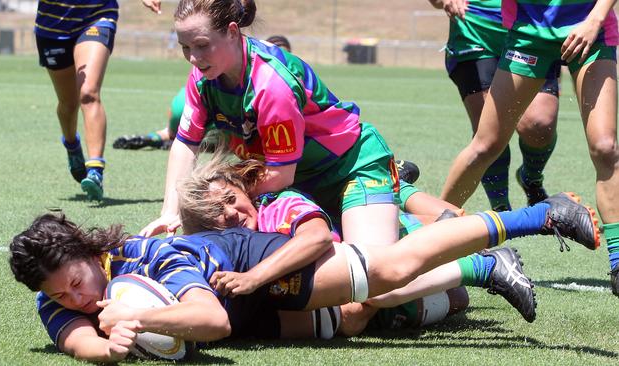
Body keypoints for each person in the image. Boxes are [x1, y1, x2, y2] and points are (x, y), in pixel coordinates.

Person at [10, 193, 597, 362]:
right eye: (60, 295)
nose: (75, 300)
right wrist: (106, 348)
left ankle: (540, 215)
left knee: (388, 269)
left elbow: (210, 321)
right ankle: (478, 271)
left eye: (76, 283)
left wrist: (134, 319)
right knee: (358, 319)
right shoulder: (60, 299)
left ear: (87, 252)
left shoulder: (151, 259)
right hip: (263, 310)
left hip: (265, 263)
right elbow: (83, 341)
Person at [139, 0, 451, 248]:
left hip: (348, 167)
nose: (193, 58)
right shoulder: (203, 76)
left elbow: (280, 173)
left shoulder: (270, 84)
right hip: (298, 177)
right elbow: (184, 144)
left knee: (371, 272)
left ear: (232, 32)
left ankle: (468, 247)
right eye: (185, 47)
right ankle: (401, 217)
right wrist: (171, 211)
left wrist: (230, 193)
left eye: (202, 45)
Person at [175, 156, 539, 326]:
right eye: (215, 215)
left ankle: (484, 263)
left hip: (381, 254)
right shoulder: (236, 243)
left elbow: (316, 239)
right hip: (368, 272)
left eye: (229, 199)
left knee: (379, 293)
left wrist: (255, 278)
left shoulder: (277, 205)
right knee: (450, 303)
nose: (229, 213)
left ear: (242, 187)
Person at [438, 0, 619, 294]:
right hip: (530, 34)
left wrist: (596, 18)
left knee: (605, 146)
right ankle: (432, 231)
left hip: (591, 29)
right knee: (486, 145)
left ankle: (618, 263)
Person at [429, 0, 559, 211]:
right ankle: (500, 208)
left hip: (532, 29)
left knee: (539, 125)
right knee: (488, 133)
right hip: (475, 31)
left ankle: (531, 179)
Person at [34, 0, 159, 201]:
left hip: (97, 14)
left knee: (88, 92)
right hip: (53, 25)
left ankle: (95, 171)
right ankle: (72, 145)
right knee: (68, 104)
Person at [111, 35, 292, 151]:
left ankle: (158, 138)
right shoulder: (214, 82)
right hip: (224, 129)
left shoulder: (277, 88)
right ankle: (153, 138)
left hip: (235, 136)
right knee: (187, 123)